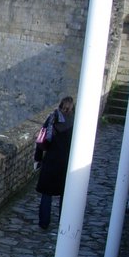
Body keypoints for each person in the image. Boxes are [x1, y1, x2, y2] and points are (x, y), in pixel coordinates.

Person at [34, 96, 75, 229]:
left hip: (51, 161)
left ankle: (44, 222)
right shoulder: (76, 122)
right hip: (68, 163)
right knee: (65, 193)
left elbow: (41, 140)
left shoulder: (52, 119)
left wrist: (38, 159)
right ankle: (63, 222)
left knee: (47, 193)